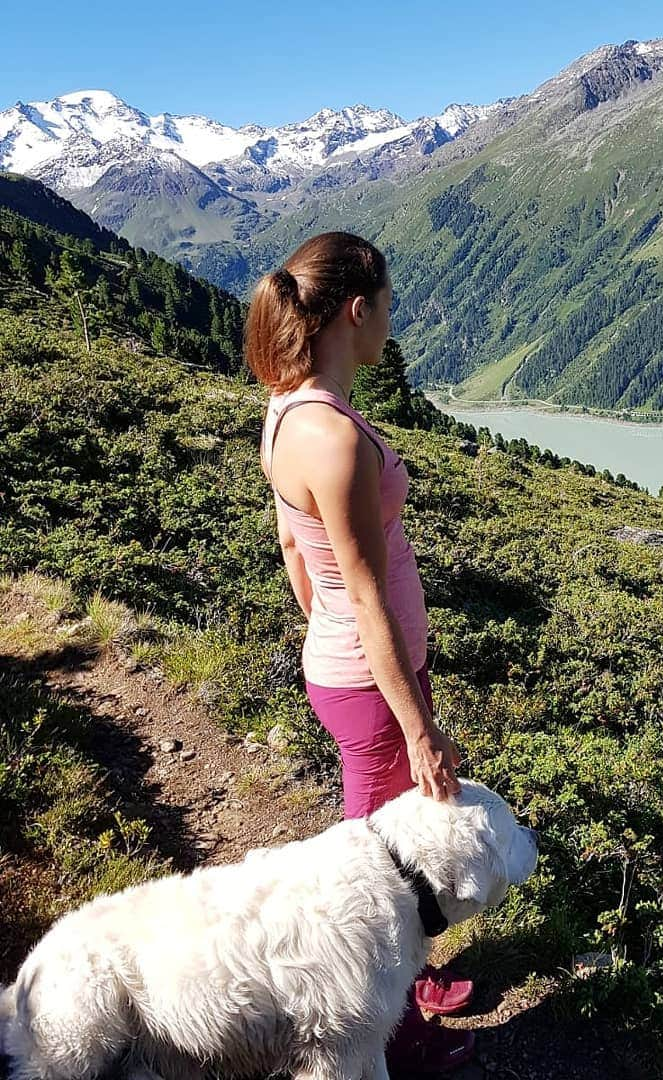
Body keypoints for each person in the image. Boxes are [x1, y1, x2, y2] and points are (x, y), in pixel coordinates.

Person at [245, 231, 474, 1072]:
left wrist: (328, 628)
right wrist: (419, 726)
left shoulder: (289, 409)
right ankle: (390, 1032)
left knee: (378, 845)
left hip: (347, 667)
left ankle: (404, 996)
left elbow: (296, 554)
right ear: (356, 309)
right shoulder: (335, 438)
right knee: (381, 862)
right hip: (371, 681)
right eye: (387, 306)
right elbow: (367, 595)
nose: (391, 323)